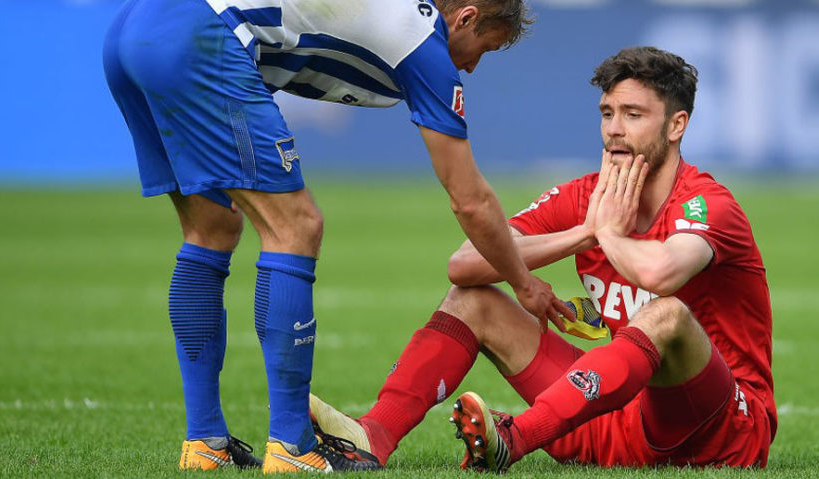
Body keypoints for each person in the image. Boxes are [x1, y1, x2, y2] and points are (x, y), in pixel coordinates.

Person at [102, 0, 574, 473]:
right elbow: (470, 200)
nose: (471, 65)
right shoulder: (423, 40)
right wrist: (524, 282)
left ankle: (205, 441)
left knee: (211, 229)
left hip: (133, 29)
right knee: (296, 226)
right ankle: (292, 445)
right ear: (466, 17)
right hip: (199, 35)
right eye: (481, 50)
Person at [309, 46, 776, 471]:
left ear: (676, 125)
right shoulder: (584, 198)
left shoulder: (707, 204)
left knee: (667, 314)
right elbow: (465, 263)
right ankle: (373, 435)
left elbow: (662, 271)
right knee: (472, 299)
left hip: (724, 431)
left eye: (634, 115)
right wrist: (581, 235)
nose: (614, 129)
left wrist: (607, 234)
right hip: (617, 424)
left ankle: (517, 436)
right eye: (607, 113)